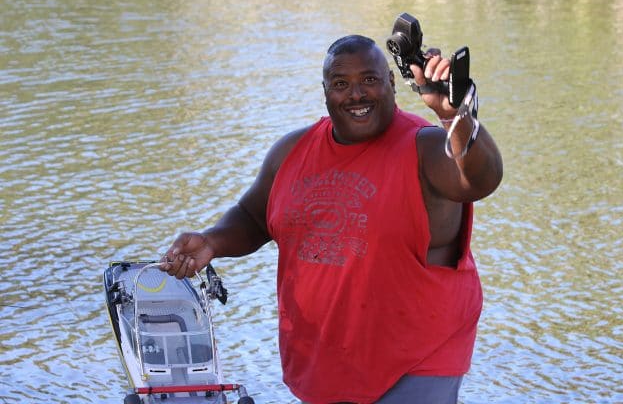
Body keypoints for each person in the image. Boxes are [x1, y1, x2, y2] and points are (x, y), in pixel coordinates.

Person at [160, 34, 503, 404]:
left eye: (369, 80)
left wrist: (455, 115)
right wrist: (213, 242)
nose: (356, 94)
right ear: (325, 91)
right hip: (325, 364)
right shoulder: (291, 152)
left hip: (416, 362)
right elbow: (252, 217)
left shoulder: (427, 146)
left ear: (390, 82)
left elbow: (482, 179)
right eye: (341, 84)